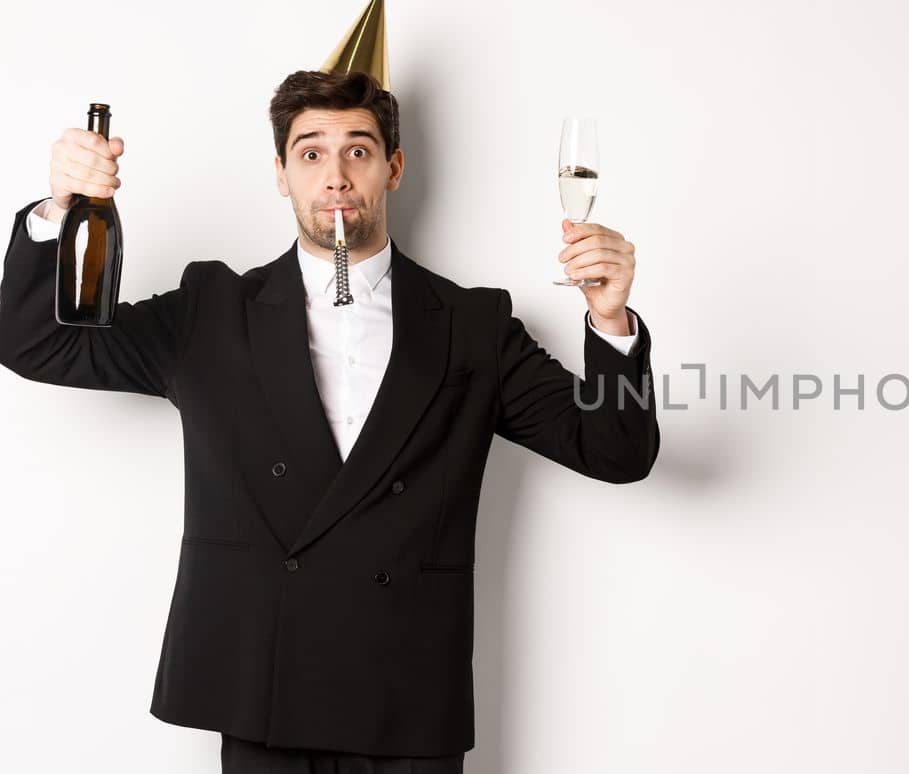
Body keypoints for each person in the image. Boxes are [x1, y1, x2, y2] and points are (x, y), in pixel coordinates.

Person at [0, 69, 659, 773]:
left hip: (407, 699)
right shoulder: (209, 312)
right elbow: (35, 342)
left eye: (359, 151)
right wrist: (58, 208)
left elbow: (615, 450)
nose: (335, 176)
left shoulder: (474, 326)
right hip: (265, 692)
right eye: (311, 153)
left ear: (393, 168)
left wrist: (610, 318)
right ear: (282, 174)